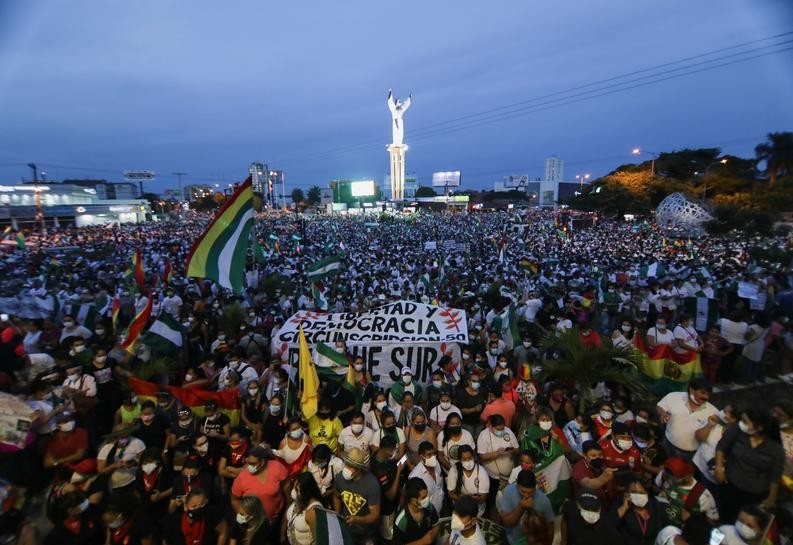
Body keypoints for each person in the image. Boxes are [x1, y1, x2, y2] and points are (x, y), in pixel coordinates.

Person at [715, 408, 785, 522]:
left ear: (759, 427)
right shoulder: (737, 430)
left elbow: (775, 476)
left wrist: (771, 498)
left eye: (745, 421)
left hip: (754, 494)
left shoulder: (775, 450)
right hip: (730, 485)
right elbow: (722, 446)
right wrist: (719, 467)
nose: (741, 423)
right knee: (725, 516)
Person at [656, 378, 718, 462]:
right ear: (691, 390)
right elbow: (660, 406)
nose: (706, 397)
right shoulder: (673, 397)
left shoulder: (713, 412)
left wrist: (709, 425)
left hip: (690, 455)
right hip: (667, 445)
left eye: (708, 394)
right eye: (702, 393)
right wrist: (662, 413)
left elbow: (706, 438)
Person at [333, 447, 381, 544]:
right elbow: (336, 497)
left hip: (366, 532)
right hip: (346, 529)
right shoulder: (339, 478)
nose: (347, 468)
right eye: (347, 464)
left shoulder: (372, 484)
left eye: (352, 466)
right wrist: (337, 516)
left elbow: (375, 514)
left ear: (360, 469)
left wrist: (358, 520)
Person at [230, 446, 289, 524]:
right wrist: (245, 517)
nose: (250, 466)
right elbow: (234, 500)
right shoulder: (242, 477)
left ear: (263, 462)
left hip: (276, 520)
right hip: (253, 524)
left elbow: (286, 487)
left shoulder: (277, 468)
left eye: (253, 463)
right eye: (249, 463)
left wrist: (286, 511)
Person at [654, 457, 718, 525]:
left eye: (674, 480)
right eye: (668, 477)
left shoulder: (703, 496)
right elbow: (655, 487)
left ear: (686, 478)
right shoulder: (665, 475)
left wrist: (690, 520)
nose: (670, 481)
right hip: (660, 520)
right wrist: (660, 493)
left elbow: (712, 521)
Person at [498, 469, 555, 545]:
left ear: (535, 487)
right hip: (513, 541)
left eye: (530, 492)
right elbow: (506, 522)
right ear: (517, 485)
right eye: (523, 491)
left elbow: (550, 527)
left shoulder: (544, 501)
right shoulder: (509, 491)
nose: (526, 495)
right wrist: (521, 507)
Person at [477, 414, 519, 511]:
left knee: (504, 499)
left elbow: (517, 449)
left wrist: (510, 450)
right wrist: (497, 453)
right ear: (491, 426)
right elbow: (482, 456)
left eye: (502, 429)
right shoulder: (484, 435)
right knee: (491, 499)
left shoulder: (508, 431)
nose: (500, 431)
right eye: (498, 429)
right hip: (492, 476)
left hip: (507, 476)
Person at [692, 403, 736, 497]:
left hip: (714, 476)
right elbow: (699, 437)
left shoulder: (736, 435)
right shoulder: (716, 423)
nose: (722, 413)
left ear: (733, 418)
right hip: (699, 465)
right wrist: (709, 425)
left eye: (725, 412)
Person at [369, 436, 406, 543]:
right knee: (388, 537)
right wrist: (399, 471)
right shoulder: (380, 471)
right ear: (387, 450)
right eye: (394, 450)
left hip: (392, 505)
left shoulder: (377, 454)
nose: (395, 452)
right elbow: (391, 495)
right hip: (386, 509)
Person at [610, 479, 669, 545]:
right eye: (633, 492)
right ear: (626, 493)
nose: (638, 495)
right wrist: (624, 507)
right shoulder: (620, 504)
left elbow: (665, 529)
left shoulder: (656, 505)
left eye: (641, 493)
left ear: (647, 493)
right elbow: (609, 526)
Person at [161, 488, 228, 545]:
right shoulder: (174, 522)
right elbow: (165, 541)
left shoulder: (211, 514)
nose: (198, 509)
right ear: (185, 507)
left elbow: (223, 531)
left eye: (202, 505)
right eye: (194, 506)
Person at [392, 477, 440, 545]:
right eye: (423, 497)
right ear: (414, 501)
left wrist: (432, 537)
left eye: (427, 495)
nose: (427, 499)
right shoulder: (401, 521)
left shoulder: (429, 507)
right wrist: (422, 542)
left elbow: (436, 524)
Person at [446, 445, 490, 516]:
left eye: (470, 458)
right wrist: (466, 498)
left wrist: (474, 499)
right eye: (464, 459)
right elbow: (450, 494)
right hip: (460, 510)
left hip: (477, 511)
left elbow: (483, 498)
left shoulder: (482, 472)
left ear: (473, 456)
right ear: (460, 460)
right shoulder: (454, 470)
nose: (468, 461)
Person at [283, 473, 324, 545]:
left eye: (297, 490)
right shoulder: (299, 500)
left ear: (306, 492)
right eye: (294, 487)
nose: (294, 492)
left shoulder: (313, 511)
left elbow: (319, 540)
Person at [409, 440, 445, 514]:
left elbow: (439, 486)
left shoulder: (437, 464)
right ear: (421, 456)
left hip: (440, 510)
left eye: (434, 454)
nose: (433, 457)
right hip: (426, 515)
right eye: (429, 455)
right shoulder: (415, 476)